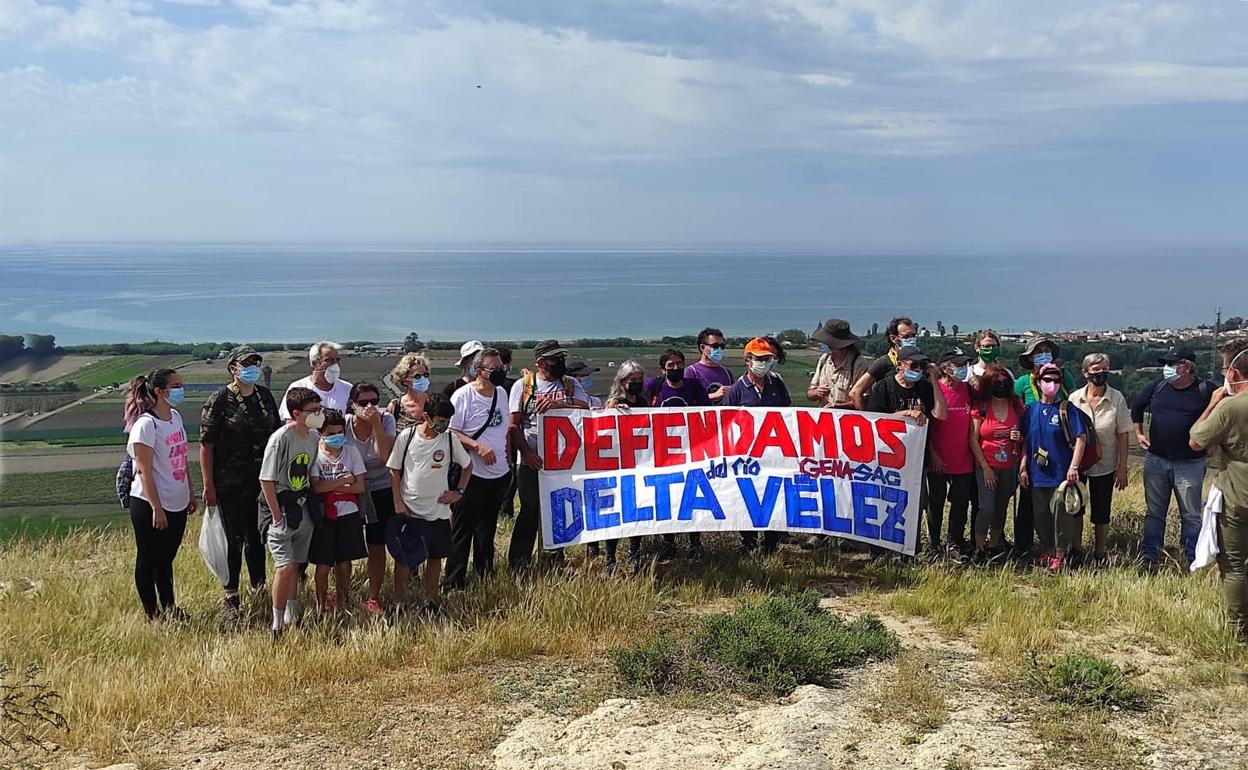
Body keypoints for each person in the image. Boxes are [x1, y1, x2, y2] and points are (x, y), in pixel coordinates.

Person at [199, 345, 280, 617]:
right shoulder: (220, 399)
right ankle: (231, 594)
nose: (252, 369)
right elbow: (206, 444)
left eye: (255, 363)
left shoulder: (265, 397)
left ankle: (259, 588)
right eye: (246, 364)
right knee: (233, 539)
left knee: (257, 537)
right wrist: (208, 484)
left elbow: (276, 436)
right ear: (233, 368)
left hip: (261, 481)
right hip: (230, 481)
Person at [507, 340, 590, 570]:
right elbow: (513, 425)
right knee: (530, 510)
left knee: (557, 511)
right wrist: (527, 453)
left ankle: (553, 561)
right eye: (555, 359)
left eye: (561, 358)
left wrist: (559, 404)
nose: (560, 362)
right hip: (531, 462)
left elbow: (586, 408)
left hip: (562, 462)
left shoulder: (570, 384)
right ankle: (519, 562)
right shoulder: (523, 387)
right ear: (541, 362)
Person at [386, 393, 471, 617]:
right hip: (411, 509)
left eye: (447, 421)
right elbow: (394, 470)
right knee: (404, 560)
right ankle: (399, 603)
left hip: (438, 510)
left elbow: (467, 466)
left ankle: (431, 602)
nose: (443, 425)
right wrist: (397, 502)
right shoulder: (407, 436)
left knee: (435, 559)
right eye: (440, 420)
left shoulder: (450, 439)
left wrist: (458, 492)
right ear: (426, 416)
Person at [1132, 347, 1216, 568]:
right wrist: (1138, 433)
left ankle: (1191, 558)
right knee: (1154, 513)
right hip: (1156, 459)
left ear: (1186, 367)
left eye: (1172, 364)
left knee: (1190, 514)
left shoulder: (1205, 390)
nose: (1166, 369)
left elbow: (1223, 413)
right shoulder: (1158, 386)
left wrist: (1214, 442)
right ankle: (1150, 557)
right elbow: (1137, 405)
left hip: (1190, 463)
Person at [124, 368, 197, 621]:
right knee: (148, 558)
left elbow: (182, 458)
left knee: (166, 559)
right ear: (159, 391)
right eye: (175, 385)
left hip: (177, 499)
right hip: (150, 503)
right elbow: (144, 471)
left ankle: (170, 607)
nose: (180, 389)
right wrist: (157, 508)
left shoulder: (175, 417)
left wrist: (190, 491)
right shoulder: (146, 425)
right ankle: (152, 613)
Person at [1189, 340, 1248, 640]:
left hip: (1238, 492)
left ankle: (1238, 629)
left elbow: (1197, 440)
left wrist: (1213, 402)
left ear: (1234, 373)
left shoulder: (1230, 406)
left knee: (1235, 565)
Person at [445, 348, 513, 590]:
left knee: (488, 527)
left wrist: (506, 459)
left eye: (502, 368)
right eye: (494, 370)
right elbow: (450, 431)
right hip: (471, 473)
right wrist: (477, 446)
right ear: (479, 371)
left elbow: (504, 428)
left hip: (498, 473)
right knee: (463, 529)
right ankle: (454, 581)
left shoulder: (502, 394)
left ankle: (484, 573)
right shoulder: (463, 396)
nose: (500, 373)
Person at [260, 387, 323, 639]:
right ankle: (277, 624)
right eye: (313, 411)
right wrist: (276, 515)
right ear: (297, 413)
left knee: (296, 566)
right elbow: (266, 479)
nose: (318, 415)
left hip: (302, 507)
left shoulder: (312, 438)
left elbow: (308, 471)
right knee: (284, 567)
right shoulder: (280, 439)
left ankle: (292, 616)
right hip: (281, 508)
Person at [724, 338, 793, 555]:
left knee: (774, 496)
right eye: (760, 359)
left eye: (768, 359)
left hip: (774, 454)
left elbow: (789, 414)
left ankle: (771, 543)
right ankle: (749, 543)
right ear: (748, 360)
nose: (764, 363)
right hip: (747, 456)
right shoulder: (737, 390)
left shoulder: (777, 385)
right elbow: (725, 421)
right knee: (748, 499)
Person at [1009, 336, 1076, 559]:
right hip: (1032, 449)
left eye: (1047, 351)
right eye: (1038, 352)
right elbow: (1015, 411)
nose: (1044, 355)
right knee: (1033, 508)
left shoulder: (1063, 376)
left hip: (1060, 450)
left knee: (1060, 508)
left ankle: (1063, 551)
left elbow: (1072, 401)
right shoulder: (1021, 383)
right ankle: (1029, 547)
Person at [1019, 363, 1088, 573]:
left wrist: (1074, 466)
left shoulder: (1067, 409)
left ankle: (1061, 555)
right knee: (1041, 516)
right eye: (1047, 380)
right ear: (1038, 383)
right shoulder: (1030, 411)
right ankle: (1047, 550)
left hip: (1061, 475)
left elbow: (1081, 439)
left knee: (1061, 516)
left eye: (1056, 381)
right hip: (1037, 474)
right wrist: (1023, 466)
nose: (1051, 384)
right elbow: (1025, 441)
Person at [1070, 354, 1131, 566]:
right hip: (1079, 465)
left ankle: (1099, 553)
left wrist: (1122, 467)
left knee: (1102, 511)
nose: (1101, 374)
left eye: (1105, 369)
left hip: (1105, 464)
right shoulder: (1074, 399)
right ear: (1086, 373)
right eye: (1096, 370)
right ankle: (1076, 550)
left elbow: (1123, 434)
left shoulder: (1117, 399)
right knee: (1076, 508)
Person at [345, 382, 397, 616]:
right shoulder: (343, 425)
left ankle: (373, 596)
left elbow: (385, 456)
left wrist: (376, 424)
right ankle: (341, 592)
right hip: (349, 488)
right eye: (363, 403)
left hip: (380, 487)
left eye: (374, 402)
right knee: (343, 544)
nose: (369, 407)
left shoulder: (386, 420)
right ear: (352, 405)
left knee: (377, 544)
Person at [309, 409, 367, 612]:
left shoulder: (351, 452)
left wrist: (331, 486)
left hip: (349, 514)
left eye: (340, 432)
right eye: (331, 434)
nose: (337, 437)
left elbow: (360, 487)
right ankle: (320, 605)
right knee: (323, 565)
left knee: (344, 562)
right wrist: (344, 480)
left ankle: (343, 601)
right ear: (320, 434)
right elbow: (316, 488)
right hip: (325, 515)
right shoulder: (314, 454)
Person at [594, 360, 649, 573]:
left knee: (639, 510)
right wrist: (617, 411)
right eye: (632, 380)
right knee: (615, 512)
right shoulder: (614, 402)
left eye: (639, 380)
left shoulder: (642, 402)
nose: (636, 383)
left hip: (639, 463)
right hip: (618, 465)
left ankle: (634, 553)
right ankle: (610, 558)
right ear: (622, 381)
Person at [968, 364, 1024, 562]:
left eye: (1004, 382)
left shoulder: (1016, 405)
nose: (1000, 386)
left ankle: (994, 547)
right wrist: (985, 468)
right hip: (987, 465)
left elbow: (1025, 433)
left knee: (1001, 506)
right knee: (986, 507)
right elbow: (973, 440)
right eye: (996, 382)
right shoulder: (981, 407)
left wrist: (1019, 437)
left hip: (1011, 465)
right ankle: (979, 548)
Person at [927, 348, 976, 561]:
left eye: (965, 364)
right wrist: (932, 454)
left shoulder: (969, 390)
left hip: (963, 459)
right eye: (958, 364)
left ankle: (954, 542)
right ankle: (934, 544)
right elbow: (925, 427)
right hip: (938, 458)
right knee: (935, 503)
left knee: (960, 503)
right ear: (946, 367)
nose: (963, 368)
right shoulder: (934, 390)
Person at [851, 316, 918, 410]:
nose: (911, 340)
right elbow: (855, 392)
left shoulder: (920, 360)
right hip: (889, 419)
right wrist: (867, 418)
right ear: (894, 338)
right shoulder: (883, 363)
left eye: (913, 336)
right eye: (906, 337)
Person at [279, 341, 352, 419]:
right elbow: (290, 421)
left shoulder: (348, 389)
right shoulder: (298, 388)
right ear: (314, 363)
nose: (335, 364)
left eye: (337, 360)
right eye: (329, 360)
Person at [806, 318, 869, 410]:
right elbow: (809, 394)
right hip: (825, 418)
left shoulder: (858, 363)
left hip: (849, 419)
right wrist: (817, 392)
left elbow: (865, 400)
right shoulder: (824, 360)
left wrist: (838, 407)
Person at [685, 327, 733, 404]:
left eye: (722, 346)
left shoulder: (727, 373)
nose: (719, 349)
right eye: (715, 346)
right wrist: (713, 396)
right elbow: (686, 400)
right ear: (702, 347)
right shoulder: (691, 372)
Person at [389, 353, 431, 433]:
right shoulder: (395, 407)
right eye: (417, 376)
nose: (423, 379)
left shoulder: (435, 404)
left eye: (425, 375)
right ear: (405, 380)